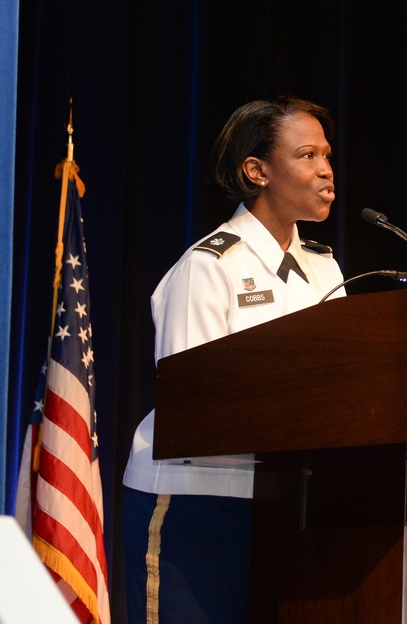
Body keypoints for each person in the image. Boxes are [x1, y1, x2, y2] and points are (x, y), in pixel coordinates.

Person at [122, 97, 345, 623]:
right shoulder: (209, 267)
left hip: (285, 502)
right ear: (257, 171)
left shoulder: (326, 271)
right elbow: (190, 405)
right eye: (308, 155)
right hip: (195, 501)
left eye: (328, 156)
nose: (326, 170)